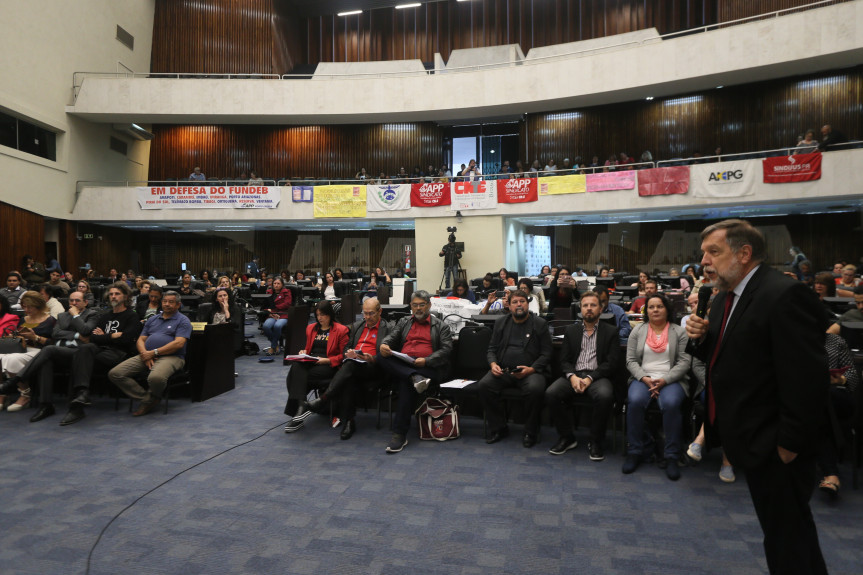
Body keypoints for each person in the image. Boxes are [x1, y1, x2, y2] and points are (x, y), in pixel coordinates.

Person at [684, 219, 829, 575]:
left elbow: (807, 379)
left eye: (713, 252)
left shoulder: (783, 294)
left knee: (786, 538)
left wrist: (789, 444)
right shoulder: (724, 298)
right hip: (747, 434)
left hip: (777, 443)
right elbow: (721, 361)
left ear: (744, 253)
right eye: (704, 252)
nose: (704, 260)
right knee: (787, 533)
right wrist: (700, 338)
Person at [622, 293, 692, 480]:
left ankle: (671, 456)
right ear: (646, 311)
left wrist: (665, 380)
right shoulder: (638, 331)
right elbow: (630, 360)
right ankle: (635, 451)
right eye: (651, 307)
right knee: (635, 401)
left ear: (667, 309)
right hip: (643, 379)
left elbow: (685, 362)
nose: (655, 310)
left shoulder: (679, 332)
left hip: (671, 380)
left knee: (670, 404)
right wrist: (644, 378)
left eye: (659, 306)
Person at [545, 291, 620, 460]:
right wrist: (572, 376)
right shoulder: (571, 330)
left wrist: (590, 378)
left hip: (598, 376)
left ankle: (595, 441)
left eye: (593, 305)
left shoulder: (611, 331)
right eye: (585, 305)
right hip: (575, 374)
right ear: (580, 309)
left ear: (601, 309)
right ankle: (567, 437)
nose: (589, 309)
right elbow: (563, 360)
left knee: (605, 395)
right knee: (551, 393)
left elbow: (611, 363)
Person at [302, 298, 392, 440]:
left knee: (348, 367)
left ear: (380, 311)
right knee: (348, 374)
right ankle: (349, 422)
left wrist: (371, 358)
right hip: (354, 365)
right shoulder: (358, 326)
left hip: (375, 367)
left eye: (371, 313)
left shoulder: (389, 328)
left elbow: (390, 353)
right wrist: (349, 353)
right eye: (365, 313)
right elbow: (345, 347)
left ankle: (324, 398)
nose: (367, 317)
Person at [378, 290, 453, 453]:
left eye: (422, 305)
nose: (418, 308)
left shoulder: (441, 326)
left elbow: (446, 351)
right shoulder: (404, 321)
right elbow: (391, 338)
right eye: (415, 305)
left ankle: (399, 434)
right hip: (407, 364)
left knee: (406, 384)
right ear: (410, 306)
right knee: (381, 356)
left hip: (428, 367)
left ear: (429, 305)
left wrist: (426, 360)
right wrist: (384, 344)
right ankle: (413, 376)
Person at [7, 291, 99, 422]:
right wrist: (77, 335)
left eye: (77, 301)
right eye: (71, 300)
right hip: (62, 351)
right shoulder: (62, 316)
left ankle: (16, 380)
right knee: (46, 361)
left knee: (48, 349)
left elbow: (85, 330)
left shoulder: (92, 314)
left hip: (81, 353)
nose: (73, 303)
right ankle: (46, 405)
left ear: (86, 302)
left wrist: (75, 316)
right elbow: (56, 333)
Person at [57, 282, 141, 425]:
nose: (113, 296)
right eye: (111, 294)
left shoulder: (131, 316)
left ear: (125, 296)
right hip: (102, 352)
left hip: (119, 354)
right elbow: (93, 338)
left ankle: (78, 403)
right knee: (84, 350)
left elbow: (126, 340)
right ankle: (81, 397)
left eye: (117, 294)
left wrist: (105, 336)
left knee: (80, 357)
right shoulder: (105, 316)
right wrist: (113, 336)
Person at [478, 290, 552, 447]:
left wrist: (531, 369)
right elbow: (491, 349)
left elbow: (547, 354)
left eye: (522, 301)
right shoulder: (501, 323)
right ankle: (499, 428)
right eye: (515, 302)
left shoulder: (539, 324)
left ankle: (530, 432)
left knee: (535, 389)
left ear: (527, 303)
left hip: (530, 372)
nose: (519, 305)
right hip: (504, 370)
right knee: (485, 385)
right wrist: (493, 364)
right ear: (509, 305)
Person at [108, 291, 193, 416]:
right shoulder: (152, 319)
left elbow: (178, 344)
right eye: (164, 301)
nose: (167, 304)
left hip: (172, 357)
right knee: (116, 374)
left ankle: (150, 400)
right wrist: (144, 354)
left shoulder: (183, 321)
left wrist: (154, 353)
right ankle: (148, 399)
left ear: (178, 305)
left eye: (171, 302)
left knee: (155, 378)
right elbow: (141, 340)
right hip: (146, 354)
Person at [283, 301, 349, 433]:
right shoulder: (311, 328)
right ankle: (302, 407)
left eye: (323, 315)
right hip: (312, 362)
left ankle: (297, 415)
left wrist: (327, 360)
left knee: (295, 375)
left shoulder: (341, 330)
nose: (320, 318)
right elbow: (309, 349)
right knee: (296, 366)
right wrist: (304, 353)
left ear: (330, 314)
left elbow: (344, 356)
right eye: (318, 315)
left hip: (329, 365)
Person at [816, 333, 859, 498]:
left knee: (823, 400)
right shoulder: (794, 341)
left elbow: (853, 378)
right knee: (821, 406)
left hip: (840, 397)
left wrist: (839, 380)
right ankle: (831, 475)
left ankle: (830, 474)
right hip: (815, 400)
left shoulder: (835, 341)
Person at [0, 291, 56, 411]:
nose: (26, 309)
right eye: (24, 306)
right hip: (22, 348)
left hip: (40, 351)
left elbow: (53, 343)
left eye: (29, 306)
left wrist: (35, 337)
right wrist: (12, 335)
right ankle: (3, 393)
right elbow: (18, 337)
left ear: (38, 305)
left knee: (11, 358)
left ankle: (25, 393)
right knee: (2, 357)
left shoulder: (50, 320)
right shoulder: (23, 319)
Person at [261, 277, 291, 355]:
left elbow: (287, 304)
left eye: (278, 283)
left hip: (284, 314)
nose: (276, 285)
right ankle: (276, 345)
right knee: (266, 326)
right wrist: (269, 312)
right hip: (272, 314)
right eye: (275, 283)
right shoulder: (269, 292)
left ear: (282, 284)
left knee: (277, 326)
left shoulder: (287, 291)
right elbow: (265, 306)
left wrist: (275, 307)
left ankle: (273, 346)